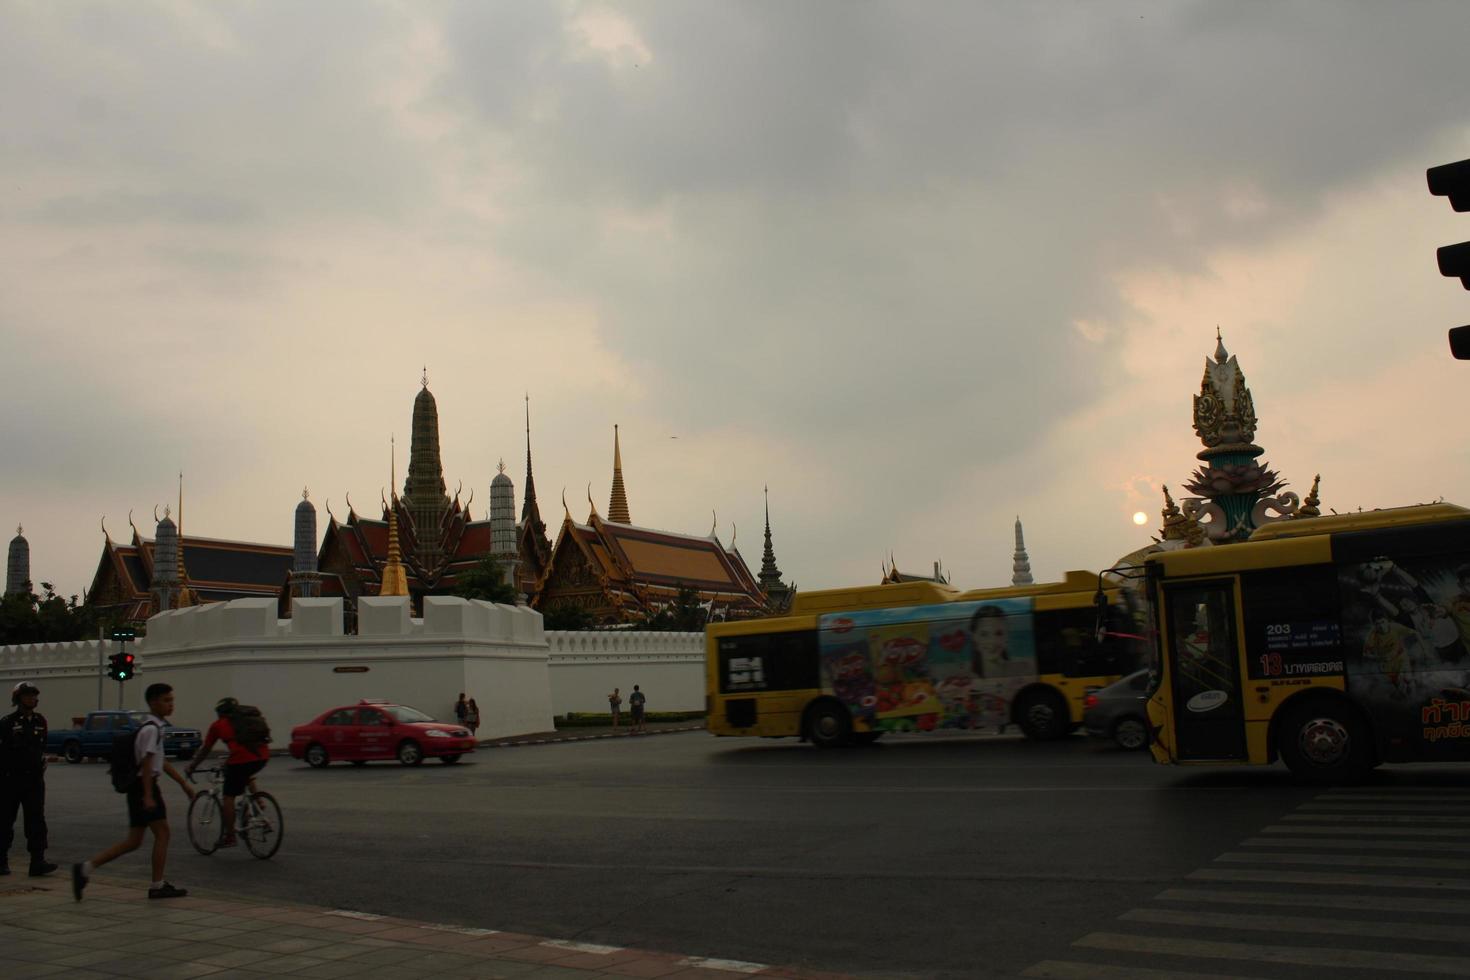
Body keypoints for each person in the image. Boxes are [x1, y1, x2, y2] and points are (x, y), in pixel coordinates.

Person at [72, 682, 196, 901]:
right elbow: (148, 764)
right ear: (153, 702)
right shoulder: (151, 729)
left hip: (140, 788)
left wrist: (182, 783)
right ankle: (157, 885)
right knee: (163, 833)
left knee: (134, 841)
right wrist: (148, 795)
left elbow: (161, 761)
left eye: (172, 700)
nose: (171, 705)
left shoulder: (152, 727)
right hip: (144, 788)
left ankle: (85, 869)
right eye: (166, 700)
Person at [186, 698, 269, 848]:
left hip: (241, 759)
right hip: (262, 757)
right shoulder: (247, 720)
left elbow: (206, 749)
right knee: (243, 772)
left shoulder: (218, 725)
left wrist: (192, 766)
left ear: (219, 713)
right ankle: (258, 802)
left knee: (228, 797)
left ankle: (230, 836)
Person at [0, 682, 56, 877]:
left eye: (33, 695)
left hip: (34, 781)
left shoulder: (40, 721)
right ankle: (1, 861)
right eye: (27, 695)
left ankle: (37, 861)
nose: (31, 698)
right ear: (18, 699)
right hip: (10, 780)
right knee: (5, 820)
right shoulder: (7, 722)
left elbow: (41, 748)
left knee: (36, 821)